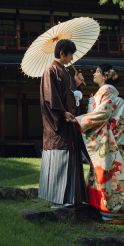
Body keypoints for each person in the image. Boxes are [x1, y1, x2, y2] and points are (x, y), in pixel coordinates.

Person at [76, 63, 124, 224]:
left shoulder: (107, 92)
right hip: (112, 143)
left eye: (97, 72)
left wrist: (78, 119)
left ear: (105, 76)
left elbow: (102, 115)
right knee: (110, 178)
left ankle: (115, 212)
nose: (94, 74)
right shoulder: (110, 95)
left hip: (111, 144)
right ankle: (109, 210)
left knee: (111, 179)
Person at [38, 38, 87, 207]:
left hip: (69, 123)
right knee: (59, 159)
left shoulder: (65, 72)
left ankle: (71, 198)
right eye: (70, 55)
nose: (71, 59)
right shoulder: (50, 71)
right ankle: (57, 200)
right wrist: (62, 112)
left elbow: (71, 96)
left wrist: (76, 84)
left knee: (71, 160)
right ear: (62, 53)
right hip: (58, 126)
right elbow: (50, 98)